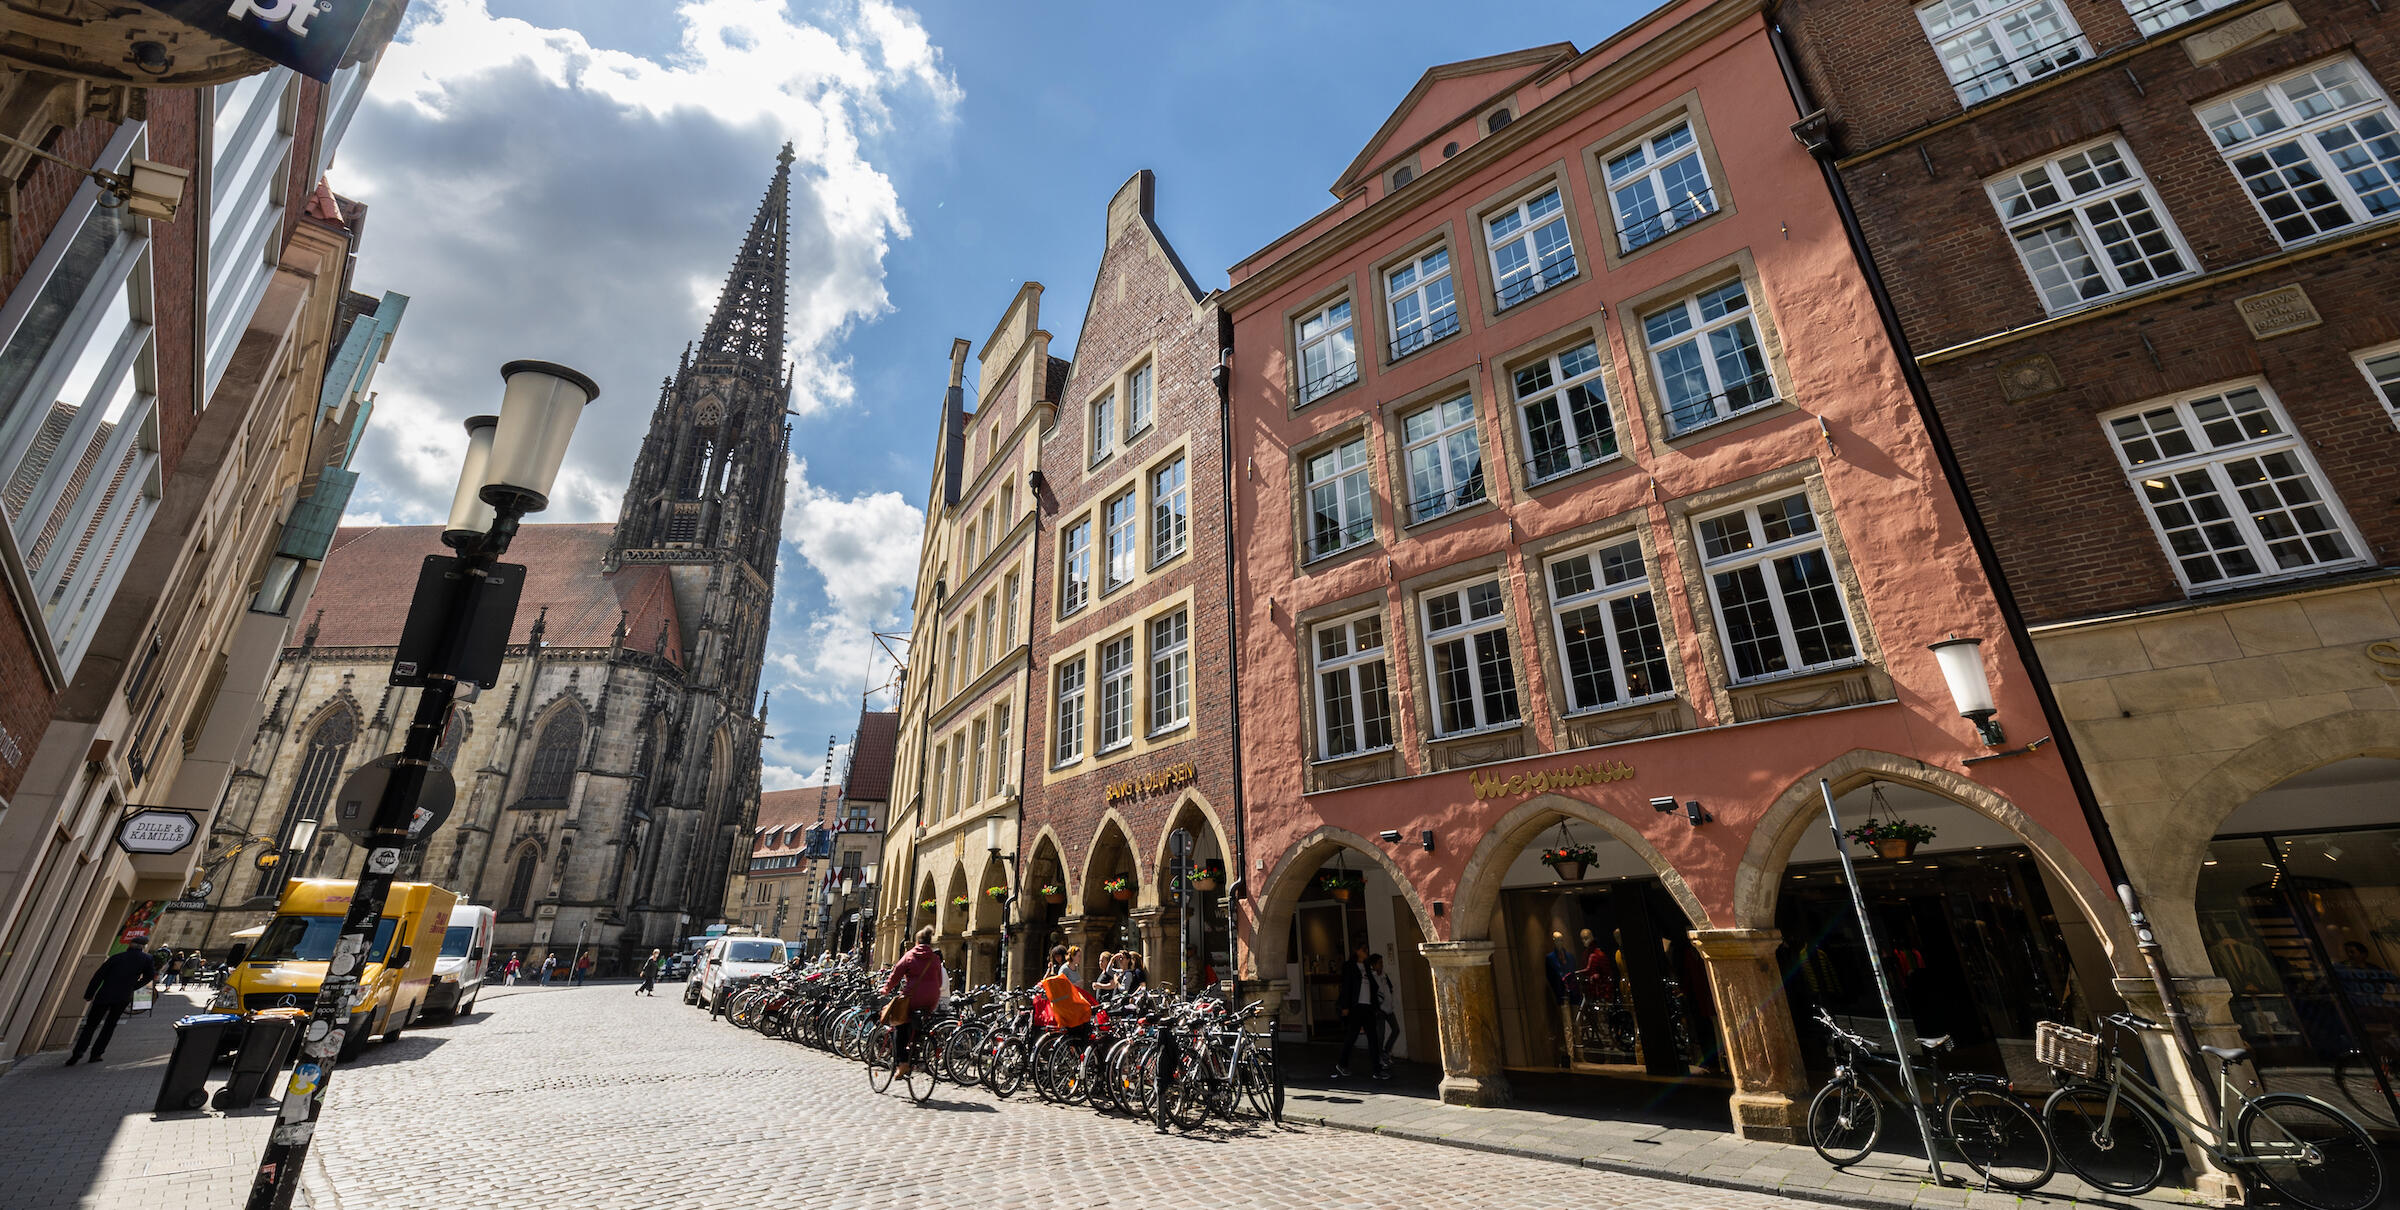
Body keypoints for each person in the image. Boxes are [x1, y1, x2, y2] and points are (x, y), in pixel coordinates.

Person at [66, 938, 157, 1066]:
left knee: (91, 1025)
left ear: (130, 945)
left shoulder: (116, 957)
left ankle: (78, 1053)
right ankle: (97, 1053)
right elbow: (149, 976)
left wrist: (89, 993)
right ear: (142, 947)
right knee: (110, 1025)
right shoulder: (146, 959)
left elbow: (99, 975)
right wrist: (134, 986)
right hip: (122, 996)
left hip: (105, 994)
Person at [882, 927, 946, 1078]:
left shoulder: (910, 955)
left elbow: (896, 974)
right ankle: (916, 1047)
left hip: (912, 997)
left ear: (917, 942)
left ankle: (903, 1062)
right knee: (918, 1024)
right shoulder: (935, 958)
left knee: (899, 1025)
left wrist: (886, 989)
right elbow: (941, 981)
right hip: (931, 998)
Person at [1333, 942, 1377, 1079]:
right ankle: (1342, 1063)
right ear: (1357, 951)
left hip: (1368, 1006)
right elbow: (1346, 987)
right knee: (1351, 1037)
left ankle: (1377, 1069)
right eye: (1364, 949)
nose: (1367, 952)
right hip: (1356, 1007)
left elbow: (1372, 985)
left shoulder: (1367, 966)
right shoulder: (1350, 967)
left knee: (1373, 1038)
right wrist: (1345, 1006)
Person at [1367, 953, 1398, 1079]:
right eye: (1379, 963)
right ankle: (1379, 1056)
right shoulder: (1372, 978)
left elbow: (1390, 988)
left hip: (1389, 1008)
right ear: (1373, 965)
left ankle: (1385, 1051)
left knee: (1396, 1030)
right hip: (1380, 1010)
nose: (1381, 965)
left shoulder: (1384, 976)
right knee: (1380, 1034)